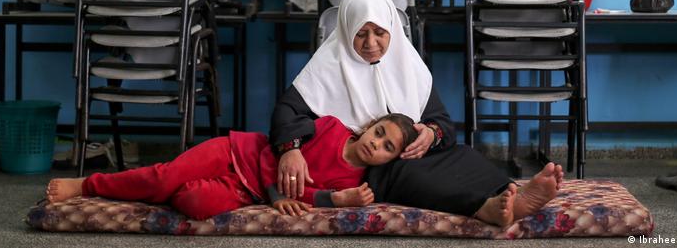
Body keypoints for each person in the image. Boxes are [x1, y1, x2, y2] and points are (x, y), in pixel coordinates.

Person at [270, 0, 563, 227]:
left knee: (458, 153)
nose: (371, 43)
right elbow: (287, 110)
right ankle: (485, 208)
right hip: (363, 166)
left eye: (380, 33)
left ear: (392, 31)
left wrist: (430, 135)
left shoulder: (407, 66)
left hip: (403, 149)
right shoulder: (328, 66)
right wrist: (291, 149)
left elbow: (443, 124)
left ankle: (513, 194)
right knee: (407, 174)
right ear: (347, 32)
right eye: (361, 34)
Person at [45, 113, 418, 220]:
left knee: (195, 206)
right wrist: (276, 195)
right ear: (370, 124)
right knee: (165, 177)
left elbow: (302, 194)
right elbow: (278, 151)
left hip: (246, 192)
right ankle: (89, 185)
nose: (376, 144)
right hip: (236, 153)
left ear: (390, 159)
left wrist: (335, 202)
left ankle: (161, 188)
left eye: (387, 147)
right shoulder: (331, 127)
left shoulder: (352, 179)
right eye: (379, 132)